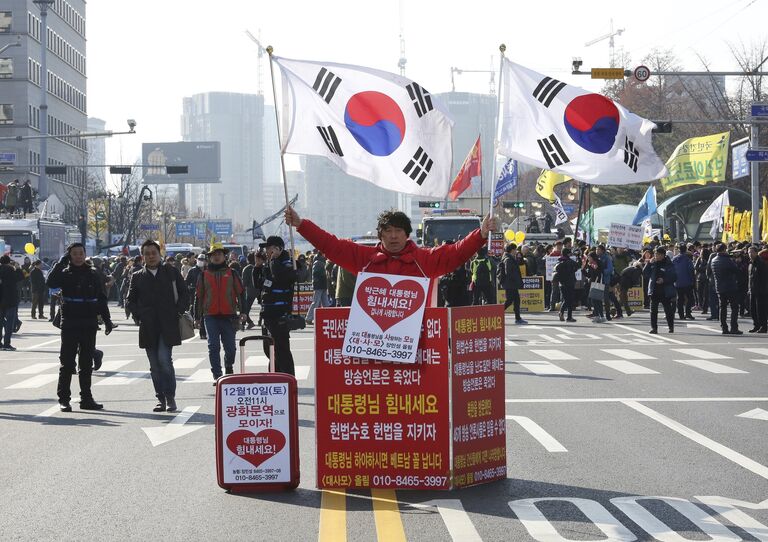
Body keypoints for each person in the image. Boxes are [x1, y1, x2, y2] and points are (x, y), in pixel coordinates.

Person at [285, 207, 496, 306]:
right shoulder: (365, 258)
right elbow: (331, 245)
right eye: (388, 231)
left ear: (407, 234)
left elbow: (456, 252)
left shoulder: (423, 260)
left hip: (415, 344)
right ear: (380, 234)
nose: (393, 236)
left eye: (398, 231)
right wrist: (301, 225)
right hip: (373, 347)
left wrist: (481, 234)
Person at [46, 243, 114, 412]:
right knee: (67, 362)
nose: (78, 256)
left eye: (81, 253)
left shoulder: (93, 274)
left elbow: (101, 298)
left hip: (89, 322)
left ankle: (86, 398)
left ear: (85, 255)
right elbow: (50, 282)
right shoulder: (64, 273)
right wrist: (61, 263)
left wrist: (107, 319)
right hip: (70, 322)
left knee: (86, 363)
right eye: (74, 254)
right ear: (70, 256)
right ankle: (64, 399)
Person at [126, 239, 188, 412]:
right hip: (148, 325)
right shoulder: (137, 276)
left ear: (159, 253)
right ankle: (160, 398)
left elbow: (184, 293)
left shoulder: (171, 272)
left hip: (168, 323)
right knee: (154, 365)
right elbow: (130, 300)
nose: (151, 256)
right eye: (147, 253)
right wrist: (139, 314)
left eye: (153, 253)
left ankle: (170, 397)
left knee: (164, 360)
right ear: (142, 256)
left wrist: (178, 311)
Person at [194, 244, 246, 382]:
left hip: (229, 316)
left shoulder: (232, 273)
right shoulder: (203, 275)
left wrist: (243, 311)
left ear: (224, 256)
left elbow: (241, 293)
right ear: (209, 257)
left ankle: (228, 366)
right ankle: (217, 376)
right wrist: (197, 317)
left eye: (219, 254)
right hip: (210, 316)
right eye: (214, 254)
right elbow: (199, 296)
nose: (217, 257)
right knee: (213, 346)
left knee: (231, 348)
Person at [259, 236, 298, 375]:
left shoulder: (287, 264)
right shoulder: (270, 263)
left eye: (270, 248)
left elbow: (279, 277)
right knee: (269, 349)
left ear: (279, 249)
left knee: (281, 349)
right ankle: (274, 376)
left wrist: (274, 260)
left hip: (279, 313)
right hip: (268, 312)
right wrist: (258, 268)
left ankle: (288, 378)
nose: (266, 251)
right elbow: (259, 285)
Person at [643, 246, 678, 334]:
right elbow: (645, 273)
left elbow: (674, 276)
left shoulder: (668, 263)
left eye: (658, 254)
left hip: (665, 291)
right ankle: (654, 328)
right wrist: (649, 264)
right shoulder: (653, 263)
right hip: (654, 290)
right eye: (655, 254)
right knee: (653, 311)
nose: (656, 256)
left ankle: (671, 327)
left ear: (663, 255)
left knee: (668, 310)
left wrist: (664, 280)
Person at [710, 243, 742, 335]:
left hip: (719, 287)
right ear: (724, 249)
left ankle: (724, 327)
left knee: (722, 307)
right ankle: (734, 327)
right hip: (730, 286)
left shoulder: (713, 260)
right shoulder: (727, 260)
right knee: (734, 307)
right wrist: (737, 262)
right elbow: (736, 271)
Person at [499, 243, 526, 324]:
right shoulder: (508, 259)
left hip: (511, 284)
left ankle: (518, 318)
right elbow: (509, 272)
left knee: (516, 300)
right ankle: (497, 313)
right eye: (515, 249)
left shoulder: (508, 258)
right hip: (510, 284)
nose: (516, 251)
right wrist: (515, 280)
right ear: (512, 250)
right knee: (510, 300)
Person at [0, 256, 22, 349]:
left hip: (1, 300)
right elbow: (19, 278)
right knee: (9, 323)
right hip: (10, 300)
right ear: (9, 262)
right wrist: (18, 268)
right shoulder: (10, 270)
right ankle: (6, 343)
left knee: (0, 322)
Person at [553, 247, 579, 322]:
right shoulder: (570, 261)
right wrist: (578, 257)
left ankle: (562, 313)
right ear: (568, 254)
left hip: (561, 283)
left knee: (566, 299)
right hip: (570, 283)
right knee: (569, 300)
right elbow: (578, 265)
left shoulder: (559, 261)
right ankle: (569, 316)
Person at [305, 252, 331, 325]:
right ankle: (308, 318)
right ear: (321, 254)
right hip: (319, 285)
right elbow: (316, 273)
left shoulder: (321, 261)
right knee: (316, 302)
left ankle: (329, 317)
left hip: (322, 285)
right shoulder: (318, 262)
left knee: (325, 302)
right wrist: (324, 275)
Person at [672, 243, 696, 320]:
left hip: (677, 282)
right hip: (687, 281)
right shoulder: (688, 259)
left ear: (679, 250)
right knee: (689, 298)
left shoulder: (674, 259)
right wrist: (693, 281)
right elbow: (691, 271)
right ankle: (688, 313)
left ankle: (681, 314)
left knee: (680, 299)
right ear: (685, 249)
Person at [747, 245, 768, 333]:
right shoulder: (751, 264)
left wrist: (763, 290)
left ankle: (763, 326)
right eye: (749, 253)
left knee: (761, 310)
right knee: (753, 310)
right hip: (752, 290)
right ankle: (756, 325)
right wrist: (749, 288)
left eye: (752, 252)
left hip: (761, 291)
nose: (750, 254)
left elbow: (764, 278)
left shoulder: (761, 263)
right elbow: (750, 278)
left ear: (756, 253)